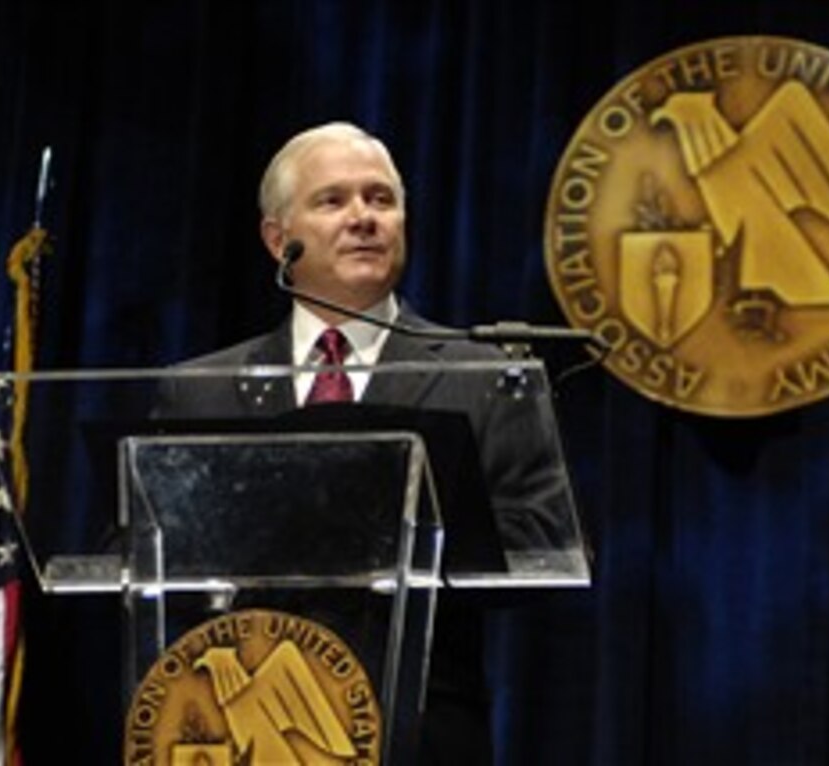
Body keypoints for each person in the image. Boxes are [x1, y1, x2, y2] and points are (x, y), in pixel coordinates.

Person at [157, 122, 578, 764]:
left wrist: (397, 543)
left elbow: (546, 544)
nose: (363, 218)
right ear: (278, 240)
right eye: (333, 201)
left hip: (419, 734)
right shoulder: (201, 390)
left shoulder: (483, 376)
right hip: (241, 734)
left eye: (381, 200)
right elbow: (133, 551)